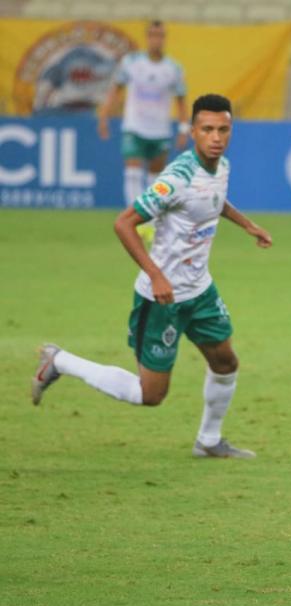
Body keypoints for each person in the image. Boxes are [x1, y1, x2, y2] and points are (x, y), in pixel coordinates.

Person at [32, 94, 272, 460]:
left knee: (226, 362)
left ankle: (208, 441)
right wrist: (157, 276)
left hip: (200, 290)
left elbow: (213, 200)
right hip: (161, 298)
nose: (216, 137)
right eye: (207, 129)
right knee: (151, 395)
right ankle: (60, 362)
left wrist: (247, 225)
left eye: (223, 129)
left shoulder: (221, 167)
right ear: (192, 131)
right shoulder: (176, 178)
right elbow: (124, 223)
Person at [98, 20, 187, 244]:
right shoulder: (131, 63)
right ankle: (136, 223)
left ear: (164, 38)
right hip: (134, 128)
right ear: (147, 38)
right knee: (132, 173)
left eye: (160, 35)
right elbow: (116, 89)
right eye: (152, 35)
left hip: (160, 132)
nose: (156, 39)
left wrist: (184, 128)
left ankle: (151, 221)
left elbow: (182, 101)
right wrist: (104, 115)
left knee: (154, 179)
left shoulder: (173, 68)